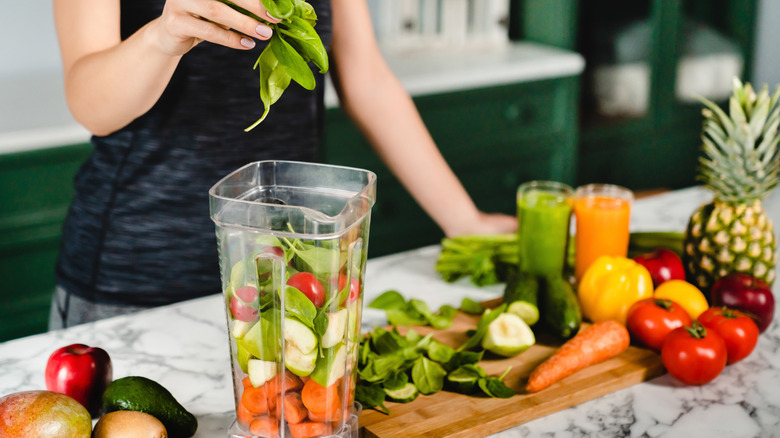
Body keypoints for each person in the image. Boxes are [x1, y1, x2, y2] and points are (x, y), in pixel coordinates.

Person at [49, 0, 517, 329]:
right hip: (136, 282)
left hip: (284, 273)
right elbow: (89, 103)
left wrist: (465, 221)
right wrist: (164, 35)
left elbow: (367, 78)